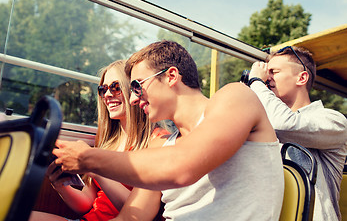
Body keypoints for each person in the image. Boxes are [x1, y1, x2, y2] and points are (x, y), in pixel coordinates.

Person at [53, 40, 284, 220]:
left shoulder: (236, 96)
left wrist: (88, 158)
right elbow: (130, 218)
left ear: (171, 76)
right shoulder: (161, 147)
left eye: (136, 86)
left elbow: (182, 166)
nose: (132, 99)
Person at [30, 60, 168, 221]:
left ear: (134, 91)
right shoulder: (108, 141)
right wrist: (60, 185)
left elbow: (136, 213)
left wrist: (95, 168)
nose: (108, 95)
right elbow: (88, 204)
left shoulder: (157, 141)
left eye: (116, 87)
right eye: (103, 89)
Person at [248, 46, 347, 221]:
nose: (266, 79)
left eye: (274, 72)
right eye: (265, 73)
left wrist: (255, 81)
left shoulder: (334, 120)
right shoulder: (266, 120)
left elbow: (284, 125)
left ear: (301, 78)